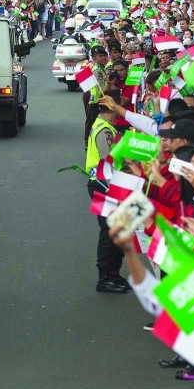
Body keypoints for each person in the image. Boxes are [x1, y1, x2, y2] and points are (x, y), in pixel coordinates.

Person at [84, 90, 127, 294]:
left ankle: (114, 274)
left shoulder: (104, 125)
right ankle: (105, 277)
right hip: (104, 185)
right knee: (109, 232)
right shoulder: (104, 130)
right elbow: (107, 163)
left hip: (105, 184)